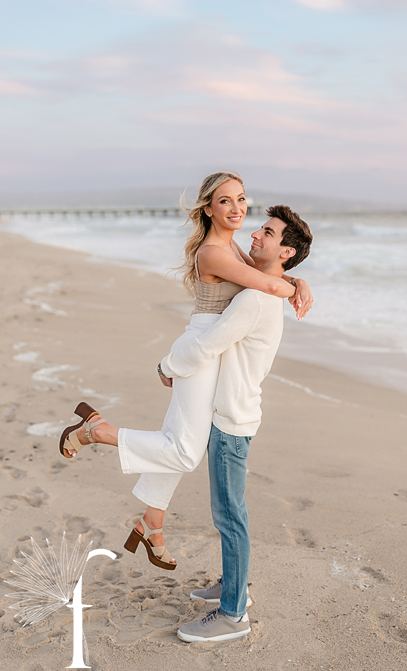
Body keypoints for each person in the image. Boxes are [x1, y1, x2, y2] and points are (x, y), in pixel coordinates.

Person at [57, 171, 312, 571]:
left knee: (176, 439)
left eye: (242, 199)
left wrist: (295, 276)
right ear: (208, 208)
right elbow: (268, 287)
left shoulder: (233, 250)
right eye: (225, 201)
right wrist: (296, 284)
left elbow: (265, 278)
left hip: (209, 350)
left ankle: (151, 523)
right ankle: (97, 431)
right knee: (184, 450)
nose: (237, 208)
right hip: (201, 351)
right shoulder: (214, 252)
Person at [159, 206, 311, 641]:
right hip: (236, 413)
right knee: (230, 512)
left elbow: (208, 345)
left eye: (267, 232)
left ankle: (233, 615)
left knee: (229, 516)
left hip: (231, 420)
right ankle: (233, 585)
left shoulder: (254, 299)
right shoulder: (265, 290)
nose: (256, 234)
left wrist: (167, 364)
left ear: (285, 251)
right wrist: (298, 281)